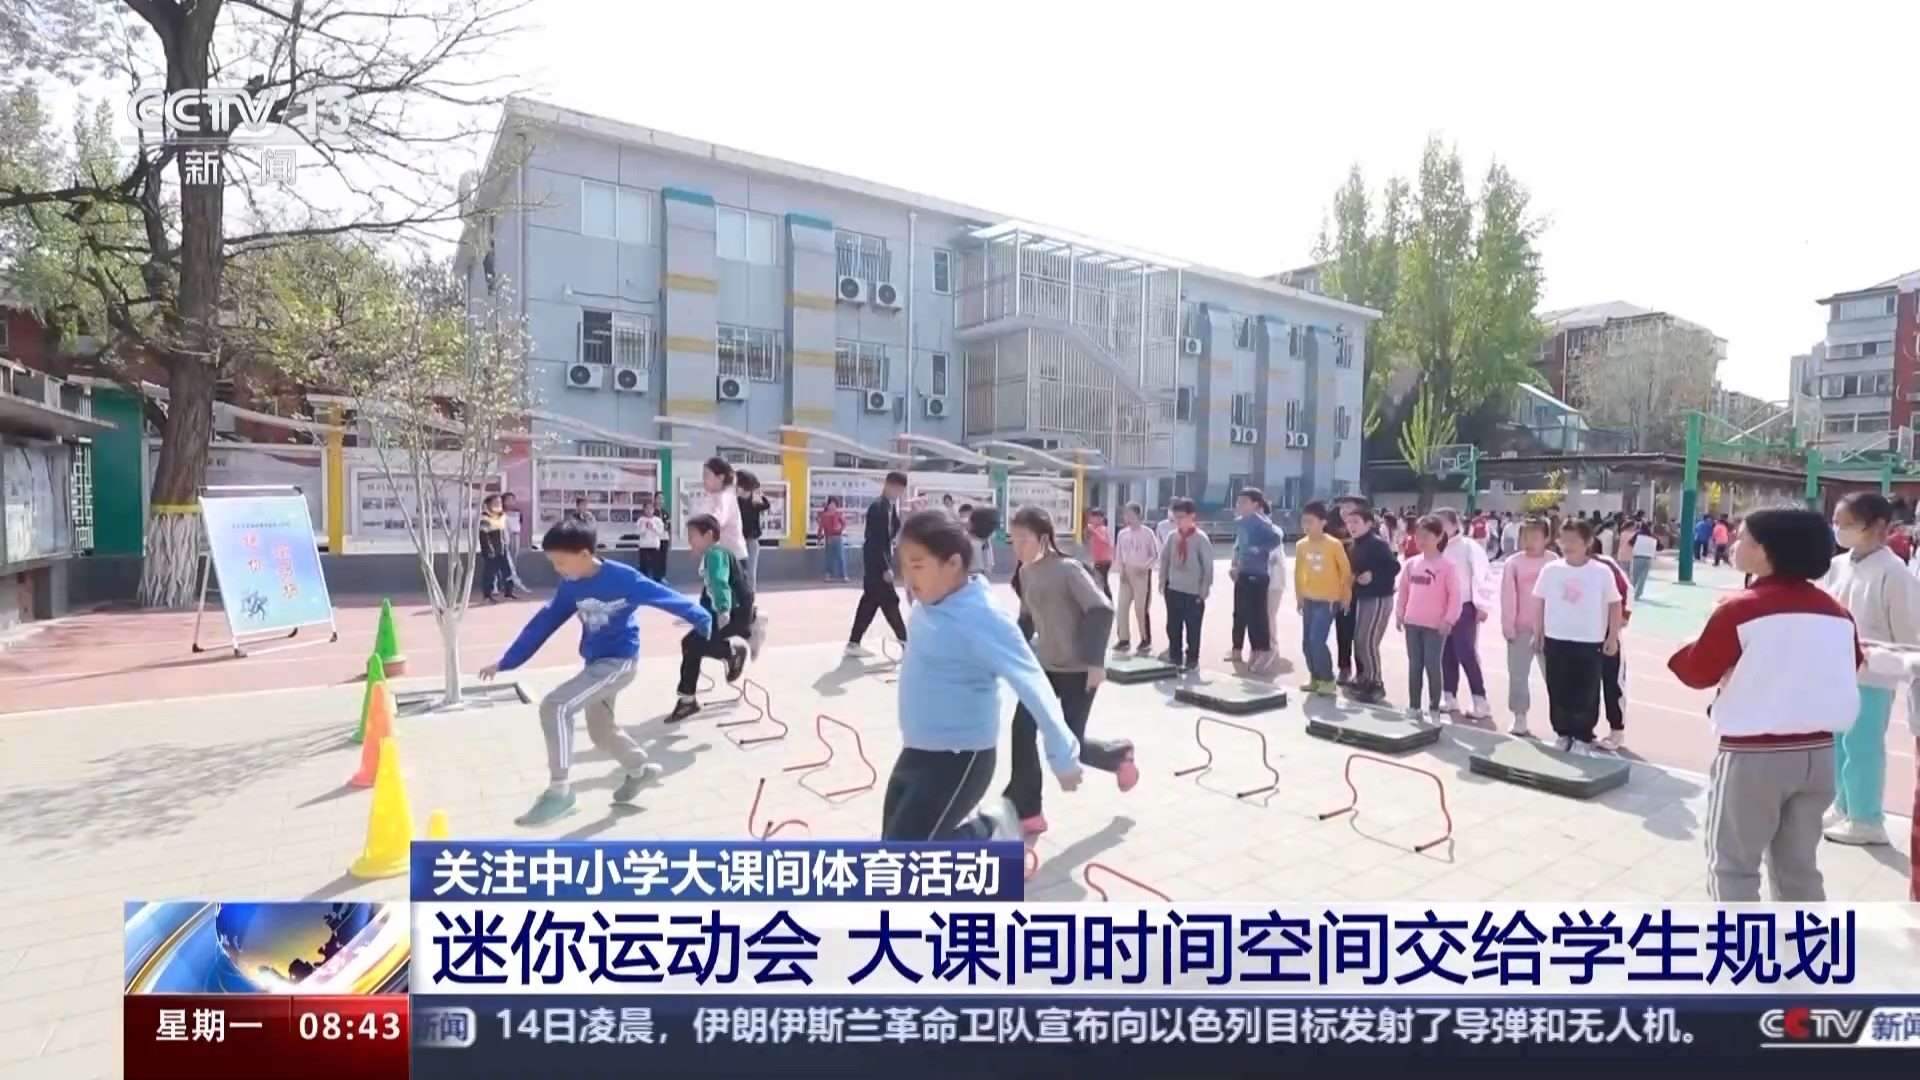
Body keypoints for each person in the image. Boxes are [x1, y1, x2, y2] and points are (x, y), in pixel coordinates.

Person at [1667, 507, 1860, 901]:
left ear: (1766, 551)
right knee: (1798, 868)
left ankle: (1741, 941)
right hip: (1819, 754)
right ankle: (1805, 937)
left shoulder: (1739, 608)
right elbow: (1852, 663)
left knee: (1733, 867)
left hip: (1753, 756)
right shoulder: (1837, 612)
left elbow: (1697, 671)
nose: (1735, 544)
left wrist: (1692, 645)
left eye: (1744, 538)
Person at [479, 518, 713, 825]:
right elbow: (544, 622)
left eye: (561, 562)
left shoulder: (623, 578)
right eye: (553, 563)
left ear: (585, 554)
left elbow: (663, 595)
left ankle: (560, 792)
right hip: (595, 664)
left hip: (619, 662)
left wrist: (701, 618)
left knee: (555, 706)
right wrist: (507, 660)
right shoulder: (571, 586)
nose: (558, 570)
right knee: (601, 732)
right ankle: (639, 770)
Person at [881, 510, 1082, 840]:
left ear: (953, 564)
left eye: (917, 566)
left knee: (911, 857)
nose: (908, 578)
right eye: (904, 566)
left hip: (959, 757)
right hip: (916, 747)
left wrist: (1063, 755)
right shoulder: (928, 603)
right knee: (891, 851)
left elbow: (1032, 681)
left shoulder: (983, 617)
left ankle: (995, 828)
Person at [1004, 506, 1135, 838]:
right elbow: (1026, 619)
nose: (1017, 547)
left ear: (1043, 539)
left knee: (1070, 741)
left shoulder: (1068, 569)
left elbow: (1101, 610)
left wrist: (1095, 664)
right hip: (1045, 668)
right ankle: (1028, 810)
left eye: (1023, 539)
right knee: (1021, 731)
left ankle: (1118, 755)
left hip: (1079, 670)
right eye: (1013, 540)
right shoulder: (1026, 573)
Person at [1819, 491, 1917, 846]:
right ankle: (1843, 805)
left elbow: (1908, 634)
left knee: (1862, 746)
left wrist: (1883, 658)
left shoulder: (1895, 573)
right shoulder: (1838, 565)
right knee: (1838, 743)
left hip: (1873, 676)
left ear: (1878, 527)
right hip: (1836, 669)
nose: (1839, 530)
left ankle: (1867, 818)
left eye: (1848, 524)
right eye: (1836, 522)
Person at [1531, 519, 1623, 751]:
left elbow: (1615, 604)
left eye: (1573, 540)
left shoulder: (1601, 572)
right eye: (1563, 540)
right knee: (1558, 688)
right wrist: (1538, 631)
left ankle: (1582, 736)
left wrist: (1612, 636)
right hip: (1556, 637)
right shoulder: (1551, 570)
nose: (1567, 545)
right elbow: (1539, 601)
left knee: (1587, 691)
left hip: (1590, 640)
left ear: (1588, 542)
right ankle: (1563, 733)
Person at [666, 513, 755, 723]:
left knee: (692, 644)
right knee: (691, 644)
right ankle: (689, 698)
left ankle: (731, 653)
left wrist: (723, 609)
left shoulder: (715, 554)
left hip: (733, 614)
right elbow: (710, 591)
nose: (689, 541)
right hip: (728, 612)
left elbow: (719, 582)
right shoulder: (714, 554)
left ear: (707, 535)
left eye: (692, 536)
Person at [1395, 515, 1461, 719]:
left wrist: (1449, 619)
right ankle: (1414, 706)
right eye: (1418, 536)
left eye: (1426, 536)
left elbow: (1455, 597)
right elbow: (1403, 591)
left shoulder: (1447, 566)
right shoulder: (1411, 564)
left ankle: (1434, 707)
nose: (1420, 540)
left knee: (1432, 665)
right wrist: (1400, 614)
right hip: (1412, 623)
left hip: (1435, 626)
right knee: (1414, 665)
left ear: (1439, 537)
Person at [1434, 508, 1495, 719]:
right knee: (1445, 653)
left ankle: (1480, 699)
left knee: (1466, 652)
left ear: (1454, 524)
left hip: (1465, 606)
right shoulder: (1435, 547)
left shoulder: (1469, 547)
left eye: (1443, 523)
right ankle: (1449, 695)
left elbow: (1483, 576)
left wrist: (1483, 606)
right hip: (1441, 608)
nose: (1439, 528)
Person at [1498, 518, 1552, 737]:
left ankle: (1563, 723)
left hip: (1549, 631)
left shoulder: (1554, 562)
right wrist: (1508, 626)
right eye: (1525, 537)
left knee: (1555, 677)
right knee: (1518, 675)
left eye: (1535, 537)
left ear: (1546, 538)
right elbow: (1508, 596)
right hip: (1520, 629)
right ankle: (1519, 716)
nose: (1529, 542)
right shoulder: (1513, 563)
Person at [846, 471, 910, 656]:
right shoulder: (878, 508)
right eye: (899, 490)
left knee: (869, 603)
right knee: (890, 602)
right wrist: (885, 567)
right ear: (890, 485)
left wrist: (903, 515)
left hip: (877, 563)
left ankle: (853, 643)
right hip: (876, 565)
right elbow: (876, 541)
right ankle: (906, 643)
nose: (900, 494)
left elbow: (891, 533)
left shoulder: (889, 506)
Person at [1294, 501, 1352, 696]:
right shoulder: (1301, 545)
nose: (1306, 526)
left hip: (1328, 601)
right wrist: (1299, 597)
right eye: (1304, 521)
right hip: (1309, 599)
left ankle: (1327, 679)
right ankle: (1315, 677)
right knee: (1306, 643)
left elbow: (1345, 572)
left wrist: (1345, 596)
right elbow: (1298, 573)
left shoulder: (1334, 544)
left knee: (1317, 640)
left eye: (1310, 521)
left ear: (1323, 522)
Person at [1344, 505, 1399, 705]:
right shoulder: (1355, 545)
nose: (1351, 526)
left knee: (1367, 641)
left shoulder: (1377, 544)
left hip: (1378, 598)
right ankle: (1365, 678)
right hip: (1364, 598)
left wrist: (1373, 575)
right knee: (1360, 640)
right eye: (1349, 522)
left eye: (1356, 522)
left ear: (1369, 524)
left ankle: (1376, 683)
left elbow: (1394, 567)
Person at [1226, 488, 1285, 670]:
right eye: (1238, 502)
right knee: (1245, 614)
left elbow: (1276, 539)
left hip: (1259, 575)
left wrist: (1260, 549)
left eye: (1244, 502)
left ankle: (1265, 650)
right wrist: (1237, 565)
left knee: (1259, 616)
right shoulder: (1242, 523)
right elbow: (1239, 547)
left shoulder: (1261, 523)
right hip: (1244, 573)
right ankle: (1253, 651)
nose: (1239, 505)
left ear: (1256, 505)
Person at [1158, 497, 1212, 672]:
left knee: (1193, 628)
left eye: (1181, 517)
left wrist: (1204, 589)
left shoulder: (1200, 539)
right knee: (1173, 626)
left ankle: (1192, 659)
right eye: (1176, 517)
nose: (1178, 521)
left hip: (1193, 591)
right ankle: (1175, 657)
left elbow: (1208, 567)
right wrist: (1162, 580)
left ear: (1192, 516)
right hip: (1174, 588)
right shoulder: (1172, 537)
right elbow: (1164, 559)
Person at [1591, 540, 1635, 751]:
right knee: (1583, 683)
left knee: (1612, 681)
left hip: (1608, 632)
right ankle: (1583, 729)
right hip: (1578, 634)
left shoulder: (1605, 564)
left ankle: (1616, 730)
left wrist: (1622, 618)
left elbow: (1627, 590)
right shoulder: (1563, 565)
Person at [1330, 495, 1368, 685]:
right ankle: (1344, 668)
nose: (1344, 510)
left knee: (1361, 634)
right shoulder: (1332, 531)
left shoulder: (1369, 533)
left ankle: (1363, 672)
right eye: (1342, 507)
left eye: (1349, 506)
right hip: (1341, 589)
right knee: (1343, 630)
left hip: (1362, 592)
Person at [1112, 502, 1160, 653]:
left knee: (1141, 608)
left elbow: (1155, 555)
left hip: (1141, 574)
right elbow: (1119, 554)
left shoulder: (1148, 533)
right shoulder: (1122, 534)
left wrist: (1145, 567)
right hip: (1126, 574)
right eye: (1125, 514)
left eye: (1130, 514)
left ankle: (1145, 639)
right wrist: (1121, 570)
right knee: (1122, 607)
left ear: (1138, 515)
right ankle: (1124, 639)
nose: (1127, 517)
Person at [477, 494, 518, 601]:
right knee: (490, 573)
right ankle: (487, 595)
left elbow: (505, 532)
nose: (498, 504)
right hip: (491, 551)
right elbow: (483, 536)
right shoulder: (485, 518)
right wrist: (489, 550)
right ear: (489, 504)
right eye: (495, 503)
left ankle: (509, 592)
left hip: (503, 549)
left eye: (499, 502)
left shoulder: (502, 516)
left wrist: (506, 543)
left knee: (508, 570)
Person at [736, 470, 771, 591]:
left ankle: (750, 596)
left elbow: (766, 505)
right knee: (738, 571)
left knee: (750, 571)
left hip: (751, 540)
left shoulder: (754, 501)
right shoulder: (735, 501)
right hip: (737, 541)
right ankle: (739, 596)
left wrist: (760, 495)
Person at [501, 492, 530, 595]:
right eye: (508, 500)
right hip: (505, 536)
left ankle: (512, 582)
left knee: (514, 558)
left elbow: (520, 523)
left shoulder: (517, 512)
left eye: (512, 500)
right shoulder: (501, 512)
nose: (510, 502)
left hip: (516, 536)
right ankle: (504, 583)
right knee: (506, 560)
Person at [634, 498, 667, 582]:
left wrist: (653, 527)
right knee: (644, 566)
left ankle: (657, 581)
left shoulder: (658, 520)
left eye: (651, 508)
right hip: (644, 546)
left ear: (653, 509)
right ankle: (644, 581)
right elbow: (638, 532)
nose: (649, 510)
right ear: (644, 509)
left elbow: (660, 532)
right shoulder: (640, 520)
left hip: (654, 546)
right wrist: (645, 528)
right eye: (647, 508)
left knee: (656, 566)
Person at [1083, 508, 1114, 598]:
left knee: (1102, 582)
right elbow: (1087, 541)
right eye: (1091, 517)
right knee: (1099, 582)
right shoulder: (1094, 529)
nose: (1091, 520)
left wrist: (1094, 532)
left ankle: (1108, 600)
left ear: (1101, 518)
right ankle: (1105, 599)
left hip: (1104, 561)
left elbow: (1105, 541)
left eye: (1094, 517)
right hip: (1097, 560)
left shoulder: (1102, 529)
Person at [818, 496, 849, 582]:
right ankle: (828, 575)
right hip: (829, 538)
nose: (832, 506)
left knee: (841, 557)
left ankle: (844, 575)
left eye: (834, 505)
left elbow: (844, 523)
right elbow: (820, 528)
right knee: (829, 558)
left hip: (838, 537)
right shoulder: (824, 515)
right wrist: (819, 538)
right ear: (828, 505)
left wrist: (840, 529)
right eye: (831, 504)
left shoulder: (838, 514)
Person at [1627, 520, 1657, 599]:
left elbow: (1630, 542)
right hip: (1648, 558)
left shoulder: (1638, 534)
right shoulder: (1652, 536)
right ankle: (1638, 594)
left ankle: (1630, 593)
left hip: (1638, 557)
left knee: (1635, 576)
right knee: (1643, 577)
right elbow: (1660, 547)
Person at [966, 506, 999, 577]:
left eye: (969, 520)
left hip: (969, 577)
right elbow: (989, 565)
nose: (967, 522)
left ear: (974, 524)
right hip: (981, 577)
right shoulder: (986, 541)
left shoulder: (969, 542)